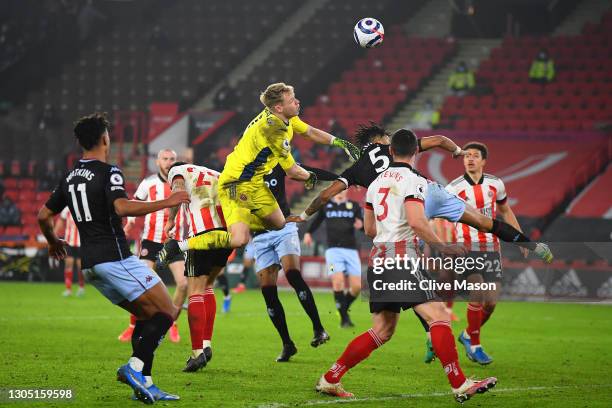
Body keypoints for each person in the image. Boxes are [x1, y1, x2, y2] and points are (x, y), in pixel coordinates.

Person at [315, 129, 497, 402]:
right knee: (438, 316)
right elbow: (415, 221)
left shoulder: (375, 185)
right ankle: (459, 383)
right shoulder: (415, 180)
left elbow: (369, 229)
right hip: (402, 260)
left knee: (382, 330)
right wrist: (443, 247)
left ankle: (330, 378)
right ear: (415, 152)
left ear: (391, 152)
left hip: (378, 260)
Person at [37, 112, 190, 403]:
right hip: (116, 258)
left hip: (91, 266)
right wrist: (168, 201)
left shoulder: (69, 177)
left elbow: (43, 215)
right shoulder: (109, 172)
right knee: (168, 312)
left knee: (147, 316)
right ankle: (134, 368)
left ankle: (145, 383)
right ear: (105, 138)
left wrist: (52, 241)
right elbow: (121, 207)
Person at [289, 123, 553, 264]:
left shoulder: (355, 169)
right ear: (383, 141)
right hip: (425, 190)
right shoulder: (393, 147)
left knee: (392, 246)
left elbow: (324, 196)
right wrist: (458, 152)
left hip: (398, 210)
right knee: (485, 223)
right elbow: (438, 139)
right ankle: (532, 245)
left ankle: (427, 318)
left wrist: (302, 215)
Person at [157, 82, 361, 262]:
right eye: (292, 100)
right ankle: (179, 246)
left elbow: (309, 131)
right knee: (239, 239)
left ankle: (234, 219)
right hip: (235, 183)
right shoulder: (273, 130)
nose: (297, 102)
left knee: (280, 223)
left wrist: (340, 142)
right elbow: (292, 171)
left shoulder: (283, 118)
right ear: (279, 107)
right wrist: (312, 177)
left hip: (256, 183)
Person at [445, 141, 524, 365]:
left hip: (491, 248)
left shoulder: (495, 184)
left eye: (475, 155)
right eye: (466, 155)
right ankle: (476, 346)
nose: (469, 158)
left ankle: (468, 335)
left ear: (483, 160)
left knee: (490, 303)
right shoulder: (453, 188)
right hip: (466, 248)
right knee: (477, 291)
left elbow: (505, 210)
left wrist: (520, 239)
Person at [249, 163, 337, 362]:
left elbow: (308, 171)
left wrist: (339, 178)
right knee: (268, 292)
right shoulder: (241, 170)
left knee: (292, 274)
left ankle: (318, 328)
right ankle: (287, 344)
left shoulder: (276, 161)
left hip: (284, 227)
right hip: (260, 235)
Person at [162, 161, 233, 373]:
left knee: (194, 291)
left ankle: (196, 353)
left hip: (201, 235)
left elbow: (178, 192)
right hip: (227, 235)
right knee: (207, 285)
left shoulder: (177, 171)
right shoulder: (216, 172)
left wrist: (171, 219)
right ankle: (207, 344)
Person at [118, 149, 188, 343]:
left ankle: (171, 323)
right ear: (158, 162)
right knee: (140, 285)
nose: (168, 162)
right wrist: (130, 222)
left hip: (173, 242)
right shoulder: (148, 183)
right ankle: (133, 326)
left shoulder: (183, 182)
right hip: (150, 240)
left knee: (183, 284)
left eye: (172, 159)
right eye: (165, 159)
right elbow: (134, 203)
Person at [304, 190, 363, 328]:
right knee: (338, 282)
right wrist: (308, 233)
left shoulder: (354, 206)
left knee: (356, 287)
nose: (341, 191)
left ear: (348, 190)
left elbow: (362, 226)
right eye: (339, 189)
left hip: (351, 250)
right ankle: (344, 319)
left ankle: (342, 307)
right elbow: (317, 221)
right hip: (332, 251)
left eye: (344, 188)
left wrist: (362, 226)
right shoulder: (326, 205)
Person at [55, 207, 84, 297]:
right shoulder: (67, 209)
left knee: (81, 267)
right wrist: (54, 235)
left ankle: (81, 287)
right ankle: (68, 289)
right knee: (68, 265)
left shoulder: (85, 207)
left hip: (82, 242)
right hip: (69, 242)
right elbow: (61, 221)